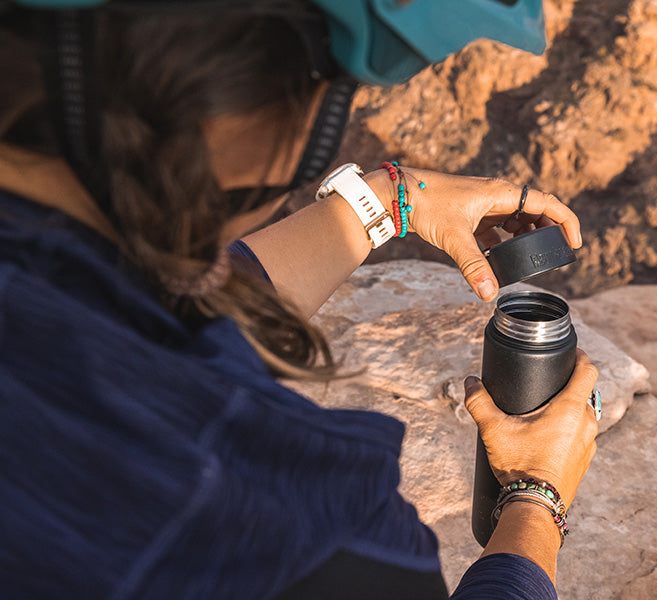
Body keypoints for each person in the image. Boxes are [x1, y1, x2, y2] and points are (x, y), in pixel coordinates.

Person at [0, 1, 600, 598]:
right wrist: (534, 493)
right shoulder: (288, 524)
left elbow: (157, 306)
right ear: (217, 108)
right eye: (329, 94)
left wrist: (392, 201)